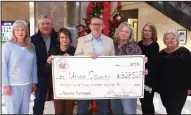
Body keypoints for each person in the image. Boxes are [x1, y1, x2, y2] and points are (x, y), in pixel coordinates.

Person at [75, 16, 115, 115]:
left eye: (99, 24)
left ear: (103, 26)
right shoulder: (82, 40)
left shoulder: (109, 41)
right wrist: (87, 56)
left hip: (103, 81)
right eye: (94, 24)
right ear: (90, 26)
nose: (96, 26)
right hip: (85, 80)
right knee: (82, 110)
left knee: (102, 110)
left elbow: (113, 60)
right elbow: (76, 57)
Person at [2, 20, 37, 114]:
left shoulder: (31, 46)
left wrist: (34, 82)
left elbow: (34, 65)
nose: (20, 32)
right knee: (13, 111)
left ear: (26, 32)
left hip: (27, 84)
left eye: (22, 29)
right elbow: (3, 66)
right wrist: (5, 85)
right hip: (13, 85)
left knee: (25, 111)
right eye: (17, 30)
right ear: (13, 31)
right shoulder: (8, 46)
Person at [155, 29, 191, 114]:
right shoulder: (161, 53)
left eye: (172, 38)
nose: (170, 40)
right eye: (167, 38)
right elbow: (157, 70)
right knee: (169, 109)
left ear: (177, 40)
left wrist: (190, 87)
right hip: (165, 89)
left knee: (174, 110)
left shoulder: (184, 52)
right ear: (164, 41)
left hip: (180, 89)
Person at [110, 22, 143, 114]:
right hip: (113, 84)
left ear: (130, 35)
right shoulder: (111, 44)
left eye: (127, 32)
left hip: (129, 85)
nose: (123, 33)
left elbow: (139, 64)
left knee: (129, 111)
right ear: (118, 31)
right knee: (116, 110)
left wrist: (143, 64)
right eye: (122, 30)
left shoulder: (134, 46)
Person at [31, 15, 58, 114]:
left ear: (51, 25)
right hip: (40, 74)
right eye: (43, 24)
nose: (45, 26)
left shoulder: (58, 37)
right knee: (39, 100)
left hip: (57, 74)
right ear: (39, 25)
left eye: (48, 23)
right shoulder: (33, 39)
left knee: (59, 101)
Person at [46, 28, 76, 114]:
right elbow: (47, 69)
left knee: (69, 111)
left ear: (70, 38)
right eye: (62, 37)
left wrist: (72, 60)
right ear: (59, 39)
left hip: (71, 87)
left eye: (66, 37)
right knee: (59, 111)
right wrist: (48, 62)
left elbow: (79, 68)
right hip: (57, 87)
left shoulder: (74, 51)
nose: (64, 39)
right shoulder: (53, 50)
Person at [138, 23, 159, 114]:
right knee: (142, 100)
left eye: (149, 30)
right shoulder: (139, 43)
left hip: (149, 78)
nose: (147, 32)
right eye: (145, 30)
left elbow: (154, 62)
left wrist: (148, 69)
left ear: (153, 33)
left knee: (148, 100)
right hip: (140, 77)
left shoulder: (155, 45)